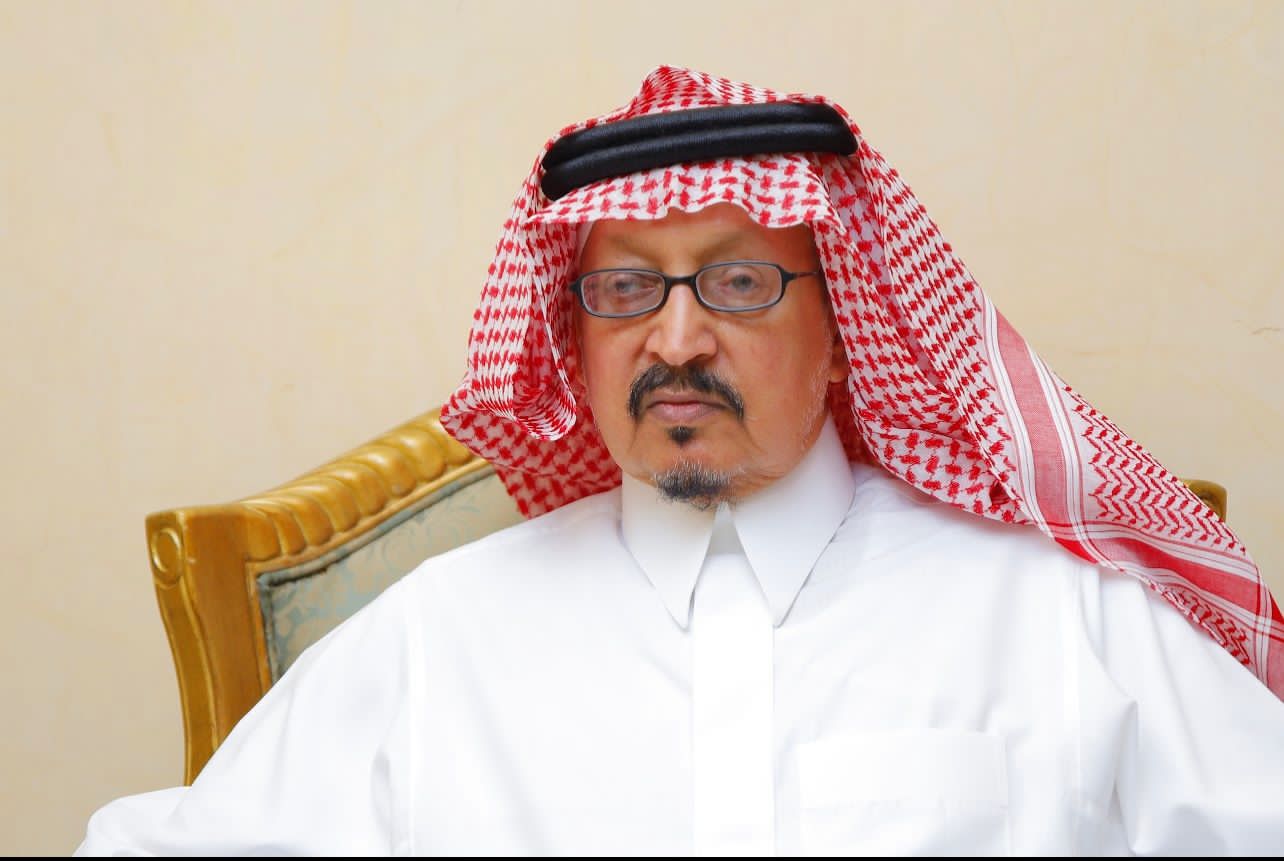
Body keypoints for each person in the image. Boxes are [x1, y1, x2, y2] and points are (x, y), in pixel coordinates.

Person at [78, 66, 1284, 856]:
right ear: (574, 334)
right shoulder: (439, 641)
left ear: (845, 329)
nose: (676, 339)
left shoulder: (1060, 616)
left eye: (739, 281)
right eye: (623, 290)